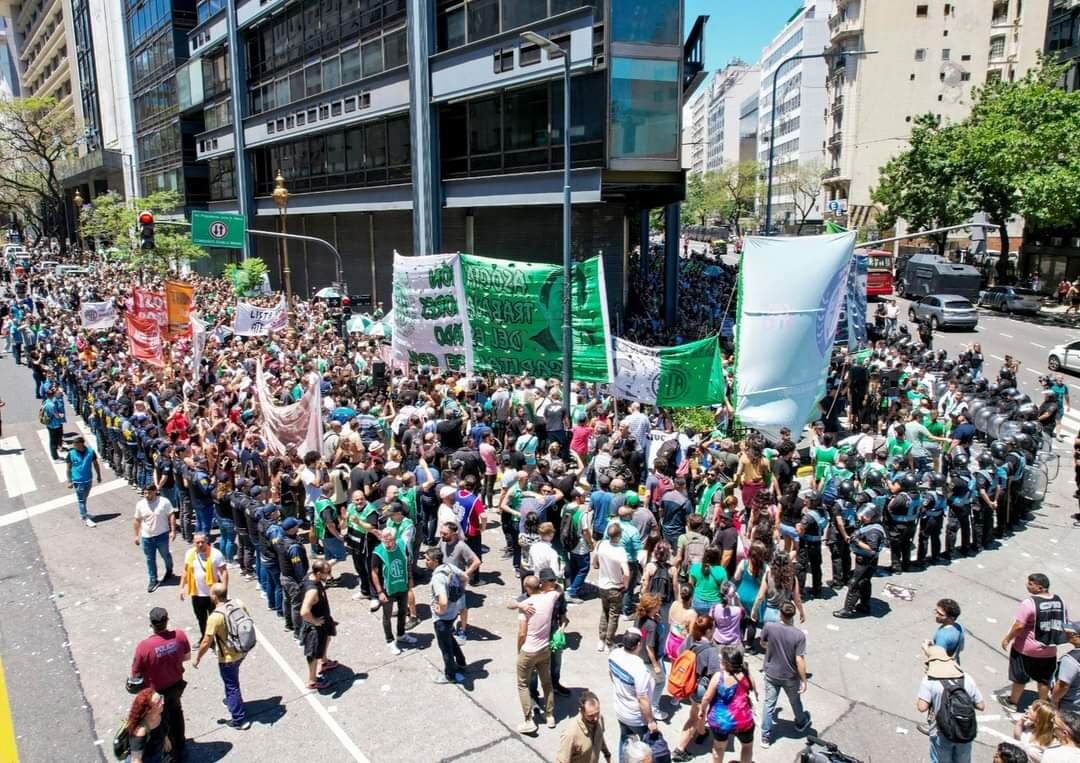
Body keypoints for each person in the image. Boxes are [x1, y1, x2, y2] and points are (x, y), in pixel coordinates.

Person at [1000, 574, 1069, 712]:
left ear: (1040, 587)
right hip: (1049, 650)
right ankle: (1042, 707)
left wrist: (1007, 638)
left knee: (1020, 676)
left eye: (1031, 584)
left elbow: (1019, 625)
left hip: (1026, 649)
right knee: (1044, 680)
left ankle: (1012, 702)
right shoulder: (1060, 601)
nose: (1027, 585)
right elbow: (1064, 622)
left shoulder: (1029, 603)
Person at [129, 607, 190, 761]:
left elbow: (135, 675)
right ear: (167, 620)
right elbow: (187, 657)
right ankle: (181, 749)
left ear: (151, 624)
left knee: (159, 723)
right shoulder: (179, 636)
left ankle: (167, 752)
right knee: (177, 714)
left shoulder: (144, 647)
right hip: (176, 686)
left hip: (157, 693)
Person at [192, 583, 250, 730]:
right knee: (233, 682)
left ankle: (239, 719)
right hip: (242, 650)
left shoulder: (215, 617)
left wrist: (197, 657)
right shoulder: (239, 603)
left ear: (215, 596)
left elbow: (206, 641)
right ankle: (233, 702)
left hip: (228, 657)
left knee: (232, 686)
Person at [916, 644, 985, 763]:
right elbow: (981, 705)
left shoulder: (929, 680)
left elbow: (922, 707)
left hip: (941, 732)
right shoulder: (966, 678)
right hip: (964, 731)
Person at [759, 601, 810, 749]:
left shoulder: (769, 627)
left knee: (769, 703)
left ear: (780, 613)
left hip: (771, 672)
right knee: (795, 701)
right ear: (792, 615)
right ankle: (801, 722)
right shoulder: (798, 635)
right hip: (789, 676)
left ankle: (766, 735)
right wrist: (804, 680)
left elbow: (763, 643)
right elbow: (799, 659)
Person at [515, 573, 560, 733]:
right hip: (544, 648)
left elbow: (522, 633)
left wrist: (519, 649)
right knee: (546, 682)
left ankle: (528, 720)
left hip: (528, 650)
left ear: (526, 588)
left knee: (522, 684)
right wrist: (549, 585)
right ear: (539, 585)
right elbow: (559, 588)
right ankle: (550, 716)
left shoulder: (526, 605)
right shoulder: (550, 598)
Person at [607, 628, 658, 761]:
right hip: (636, 717)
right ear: (638, 645)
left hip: (620, 710)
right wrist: (651, 720)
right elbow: (642, 699)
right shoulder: (638, 667)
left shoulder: (614, 655)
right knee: (645, 749)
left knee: (625, 739)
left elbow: (611, 675)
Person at [700, 646, 757, 763]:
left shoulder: (718, 677)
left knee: (719, 748)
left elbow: (706, 698)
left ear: (725, 663)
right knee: (747, 746)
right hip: (743, 720)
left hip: (720, 721)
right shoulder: (747, 674)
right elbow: (755, 694)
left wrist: (702, 711)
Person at [833, 506, 886, 619]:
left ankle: (847, 609)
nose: (863, 517)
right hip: (866, 559)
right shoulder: (871, 526)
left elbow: (872, 548)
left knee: (855, 583)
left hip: (866, 560)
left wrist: (856, 541)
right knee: (865, 582)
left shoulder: (874, 531)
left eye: (866, 516)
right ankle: (864, 604)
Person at [372, 527, 416, 655]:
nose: (388, 543)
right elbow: (374, 572)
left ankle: (401, 634)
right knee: (387, 615)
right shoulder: (378, 551)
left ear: (395, 539)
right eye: (385, 540)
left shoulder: (402, 545)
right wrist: (379, 592)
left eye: (390, 540)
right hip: (387, 589)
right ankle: (390, 640)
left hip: (402, 586)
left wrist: (410, 578)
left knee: (402, 612)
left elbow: (407, 562)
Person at [426, 547, 467, 685]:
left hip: (442, 619)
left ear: (435, 561)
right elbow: (465, 577)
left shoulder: (438, 578)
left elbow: (442, 600)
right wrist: (460, 591)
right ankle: (461, 662)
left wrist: (440, 610)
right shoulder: (449, 566)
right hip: (453, 613)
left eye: (428, 560)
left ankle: (450, 675)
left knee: (445, 648)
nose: (426, 562)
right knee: (449, 638)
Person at [299, 560, 339, 691]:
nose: (329, 576)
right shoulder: (313, 591)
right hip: (316, 627)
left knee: (328, 637)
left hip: (324, 620)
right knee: (313, 652)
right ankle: (312, 680)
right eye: (327, 573)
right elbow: (304, 611)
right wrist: (315, 621)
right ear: (317, 573)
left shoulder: (311, 576)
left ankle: (324, 661)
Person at [179, 532, 228, 639]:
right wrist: (182, 587)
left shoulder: (216, 554)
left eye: (202, 542)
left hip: (213, 595)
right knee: (201, 619)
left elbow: (224, 572)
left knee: (215, 619)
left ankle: (219, 640)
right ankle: (204, 638)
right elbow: (186, 571)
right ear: (193, 543)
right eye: (197, 542)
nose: (200, 544)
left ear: (207, 541)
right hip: (196, 594)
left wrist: (224, 589)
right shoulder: (189, 554)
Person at [133, 483, 176, 593]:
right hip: (147, 537)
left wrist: (173, 530)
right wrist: (136, 535)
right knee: (150, 559)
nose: (147, 495)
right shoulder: (140, 505)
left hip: (162, 535)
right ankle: (153, 579)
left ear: (155, 491)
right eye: (145, 493)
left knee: (165, 555)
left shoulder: (164, 502)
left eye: (149, 492)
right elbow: (137, 520)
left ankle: (169, 570)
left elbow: (171, 515)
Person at [594, 523, 630, 653]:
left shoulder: (602, 545)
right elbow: (626, 572)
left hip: (602, 586)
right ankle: (609, 642)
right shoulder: (620, 551)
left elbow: (595, 559)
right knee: (614, 615)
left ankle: (601, 640)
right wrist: (625, 585)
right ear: (619, 535)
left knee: (604, 611)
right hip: (615, 587)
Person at [555, 690, 612, 763]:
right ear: (581, 711)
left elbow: (600, 737)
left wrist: (607, 754)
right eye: (590, 715)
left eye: (597, 713)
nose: (595, 718)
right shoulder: (570, 734)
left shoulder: (599, 718)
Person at [124, 688, 170, 763]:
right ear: (148, 710)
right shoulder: (140, 731)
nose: (162, 703)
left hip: (156, 755)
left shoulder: (160, 715)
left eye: (161, 698)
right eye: (158, 703)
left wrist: (166, 739)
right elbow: (136, 760)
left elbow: (162, 729)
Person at [66, 434, 103, 527]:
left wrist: (98, 475)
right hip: (78, 481)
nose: (75, 447)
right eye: (74, 445)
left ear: (82, 444)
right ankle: (85, 517)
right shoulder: (71, 453)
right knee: (81, 499)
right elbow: (68, 468)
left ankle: (84, 513)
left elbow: (95, 464)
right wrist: (69, 481)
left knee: (84, 498)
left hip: (88, 479)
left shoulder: (90, 452)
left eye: (77, 445)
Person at [929, 598, 966, 664]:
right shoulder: (959, 627)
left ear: (951, 618)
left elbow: (936, 658)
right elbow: (961, 648)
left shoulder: (942, 636)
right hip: (954, 664)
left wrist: (926, 647)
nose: (936, 615)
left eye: (941, 614)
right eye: (936, 611)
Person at [1053, 622, 1080, 712]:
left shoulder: (1071, 660)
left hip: (1070, 708)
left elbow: (1062, 686)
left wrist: (1054, 701)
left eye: (1071, 633)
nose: (1066, 633)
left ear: (1077, 637)